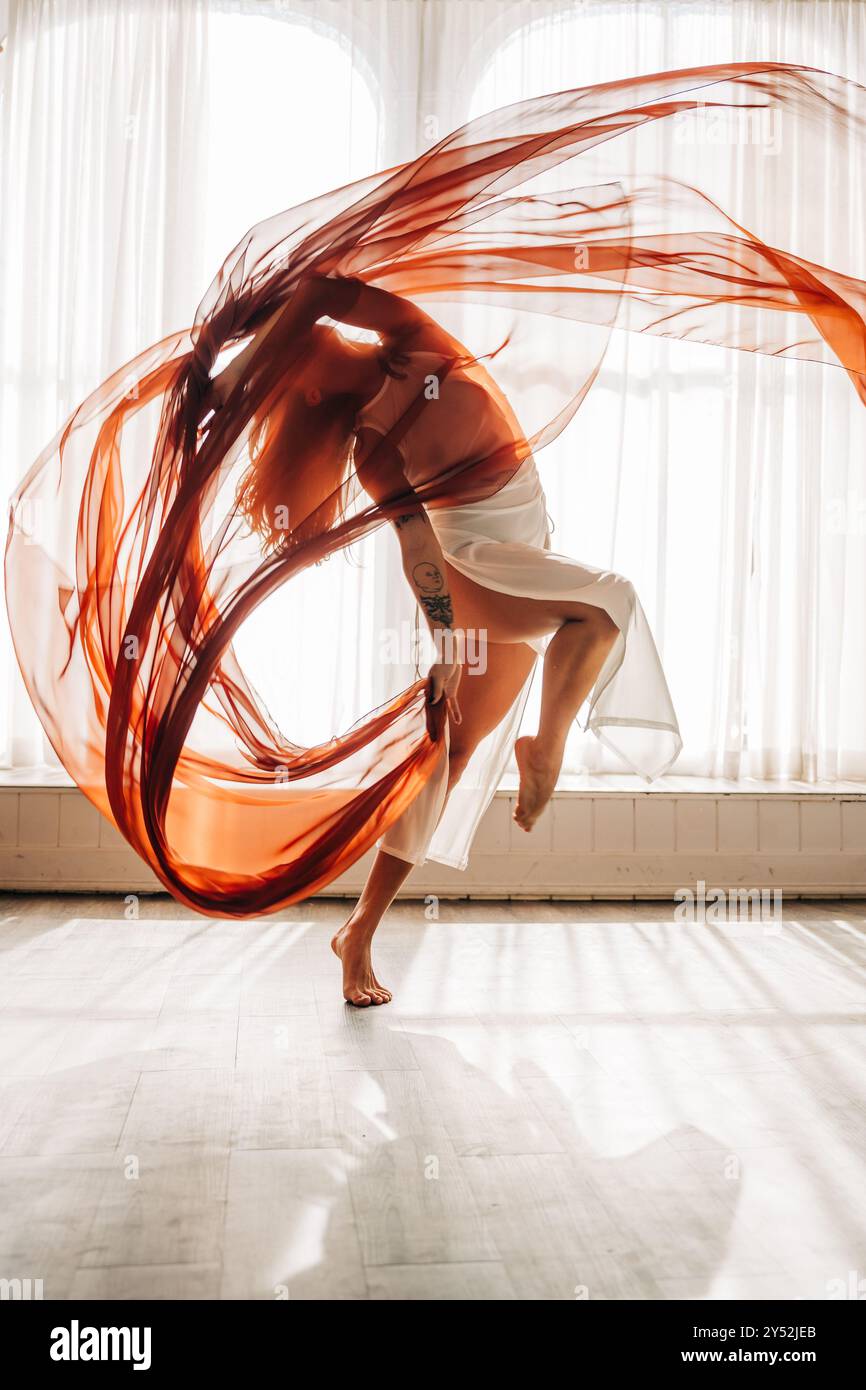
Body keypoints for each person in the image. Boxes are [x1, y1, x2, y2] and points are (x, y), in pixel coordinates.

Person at [209, 273, 679, 1005]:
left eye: (306, 332)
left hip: (527, 550)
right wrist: (447, 645)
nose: (319, 333)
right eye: (300, 351)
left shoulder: (409, 337)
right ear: (306, 390)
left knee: (446, 754)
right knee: (604, 603)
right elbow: (418, 546)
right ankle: (547, 750)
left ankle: (358, 931)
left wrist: (240, 362)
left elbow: (323, 289)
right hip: (477, 563)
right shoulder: (372, 442)